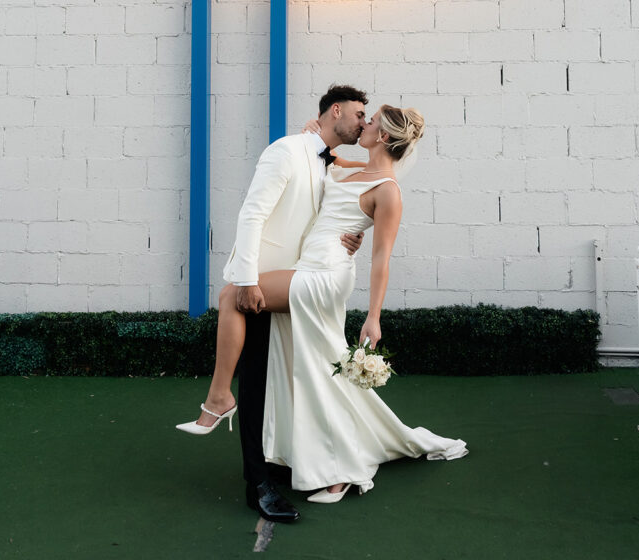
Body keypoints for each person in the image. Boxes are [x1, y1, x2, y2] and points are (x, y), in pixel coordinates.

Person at [177, 102, 468, 507]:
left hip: (325, 275)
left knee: (232, 296)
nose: (363, 125)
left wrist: (374, 317)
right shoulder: (356, 169)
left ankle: (219, 398)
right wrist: (312, 135)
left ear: (382, 137)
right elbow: (324, 164)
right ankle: (338, 460)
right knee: (316, 369)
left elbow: (382, 257)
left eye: (370, 123)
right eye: (362, 117)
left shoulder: (388, 191)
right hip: (307, 265)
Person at [176, 84, 369, 523]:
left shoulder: (330, 164)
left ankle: (277, 463)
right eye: (359, 113)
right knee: (257, 383)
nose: (363, 121)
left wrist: (347, 240)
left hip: (299, 284)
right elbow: (252, 213)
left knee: (286, 380)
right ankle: (257, 484)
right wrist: (245, 280)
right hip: (262, 287)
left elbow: (330, 215)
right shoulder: (286, 150)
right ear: (334, 111)